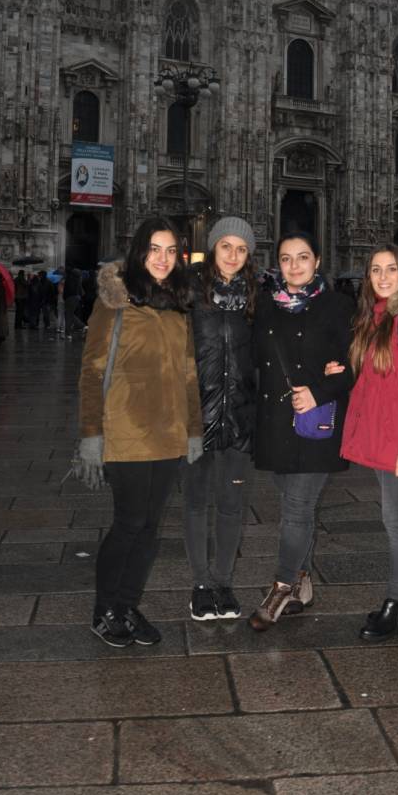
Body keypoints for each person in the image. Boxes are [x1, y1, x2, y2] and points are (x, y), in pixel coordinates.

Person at [77, 216, 203, 649]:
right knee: (129, 523)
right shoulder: (115, 301)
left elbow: (188, 373)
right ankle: (104, 610)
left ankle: (127, 606)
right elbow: (92, 371)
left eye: (170, 251)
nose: (163, 259)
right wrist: (91, 433)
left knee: (150, 527)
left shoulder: (179, 304)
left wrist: (193, 429)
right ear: (139, 252)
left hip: (168, 433)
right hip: (126, 430)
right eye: (154, 249)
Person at [249, 231, 354, 631]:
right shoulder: (264, 305)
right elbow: (255, 357)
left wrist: (320, 389)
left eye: (303, 257)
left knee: (296, 508)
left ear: (317, 261)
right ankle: (303, 583)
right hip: (276, 422)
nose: (294, 266)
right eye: (286, 258)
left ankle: (280, 587)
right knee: (296, 506)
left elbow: (355, 364)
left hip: (316, 423)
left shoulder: (338, 306)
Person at [340, 244, 398, 641]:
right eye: (375, 269)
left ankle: (395, 604)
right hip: (386, 435)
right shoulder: (378, 316)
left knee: (396, 521)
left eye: (391, 269)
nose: (382, 277)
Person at [184, 217, 258, 622]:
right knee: (196, 503)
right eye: (226, 246)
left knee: (231, 505)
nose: (233, 255)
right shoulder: (188, 292)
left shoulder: (256, 297)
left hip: (240, 418)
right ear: (213, 247)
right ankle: (200, 585)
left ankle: (224, 583)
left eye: (241, 249)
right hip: (196, 416)